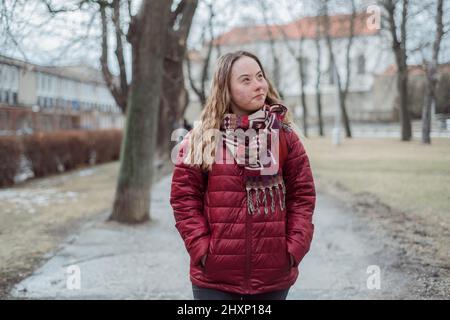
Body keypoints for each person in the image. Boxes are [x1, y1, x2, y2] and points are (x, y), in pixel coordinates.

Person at [170, 50, 316, 300]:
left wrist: (293, 249)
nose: (258, 85)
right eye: (246, 80)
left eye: (260, 76)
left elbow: (302, 195)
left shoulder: (284, 135)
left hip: (273, 275)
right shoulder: (201, 139)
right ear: (225, 88)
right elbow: (184, 199)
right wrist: (201, 248)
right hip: (214, 278)